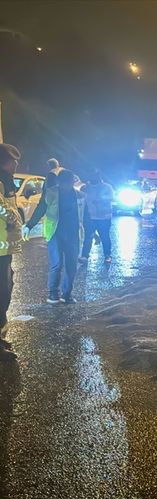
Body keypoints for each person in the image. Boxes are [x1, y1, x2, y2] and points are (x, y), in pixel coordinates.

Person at [25, 169, 85, 304]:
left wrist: (93, 233)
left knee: (71, 265)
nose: (66, 185)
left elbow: (86, 217)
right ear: (59, 182)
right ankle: (53, 293)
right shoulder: (51, 193)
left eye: (69, 182)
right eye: (63, 182)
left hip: (73, 235)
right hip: (55, 233)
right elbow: (41, 209)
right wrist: (29, 226)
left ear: (72, 182)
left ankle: (67, 294)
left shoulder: (80, 196)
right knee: (56, 264)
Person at [0, 144, 24, 361]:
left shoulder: (7, 181)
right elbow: (2, 208)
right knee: (1, 292)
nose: (16, 163)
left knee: (6, 290)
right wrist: (12, 216)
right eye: (12, 160)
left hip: (4, 248)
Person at [80, 172, 114, 264]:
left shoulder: (107, 187)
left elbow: (111, 198)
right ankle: (84, 256)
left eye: (95, 176)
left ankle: (107, 255)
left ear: (100, 177)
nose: (93, 178)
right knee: (88, 237)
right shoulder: (85, 188)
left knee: (105, 237)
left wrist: (100, 200)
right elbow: (81, 201)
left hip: (104, 218)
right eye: (92, 176)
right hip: (90, 217)